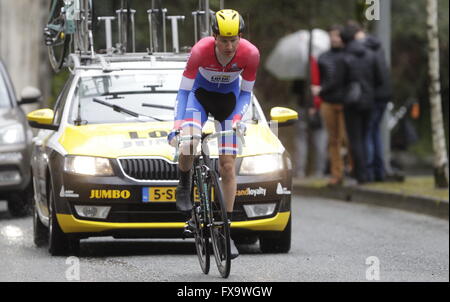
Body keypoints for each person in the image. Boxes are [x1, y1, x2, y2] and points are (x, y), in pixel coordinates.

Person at [167, 9, 260, 259]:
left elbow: (246, 93)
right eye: (224, 40)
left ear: (240, 37)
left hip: (228, 105)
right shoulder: (200, 51)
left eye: (234, 40)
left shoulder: (250, 54)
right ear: (214, 36)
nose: (229, 46)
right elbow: (184, 91)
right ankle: (185, 183)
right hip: (198, 100)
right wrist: (179, 124)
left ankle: (224, 231)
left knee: (228, 167)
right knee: (189, 142)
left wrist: (239, 119)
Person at [340, 22, 382, 184]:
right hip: (369, 101)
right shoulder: (370, 54)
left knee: (355, 138)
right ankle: (368, 172)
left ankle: (361, 174)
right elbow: (378, 78)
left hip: (351, 103)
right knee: (366, 136)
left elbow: (340, 81)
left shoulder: (345, 56)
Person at [312, 25, 349, 186]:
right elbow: (319, 80)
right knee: (333, 140)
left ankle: (352, 169)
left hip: (346, 103)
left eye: (337, 35)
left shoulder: (348, 55)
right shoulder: (323, 57)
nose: (335, 38)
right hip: (328, 102)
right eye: (332, 35)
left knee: (346, 139)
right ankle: (336, 174)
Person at [354, 27, 392, 182]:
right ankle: (379, 170)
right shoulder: (378, 47)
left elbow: (374, 77)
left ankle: (368, 170)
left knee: (368, 133)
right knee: (375, 132)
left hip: (373, 97)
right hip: (384, 95)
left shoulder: (365, 51)